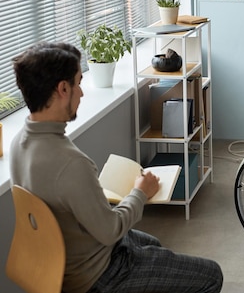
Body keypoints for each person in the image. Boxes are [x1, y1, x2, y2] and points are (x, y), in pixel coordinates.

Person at [10, 42, 223, 293]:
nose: (82, 93)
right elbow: (111, 231)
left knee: (152, 242)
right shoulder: (70, 163)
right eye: (78, 83)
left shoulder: (18, 143)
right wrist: (140, 192)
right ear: (63, 89)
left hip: (64, 259)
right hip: (99, 274)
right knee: (212, 275)